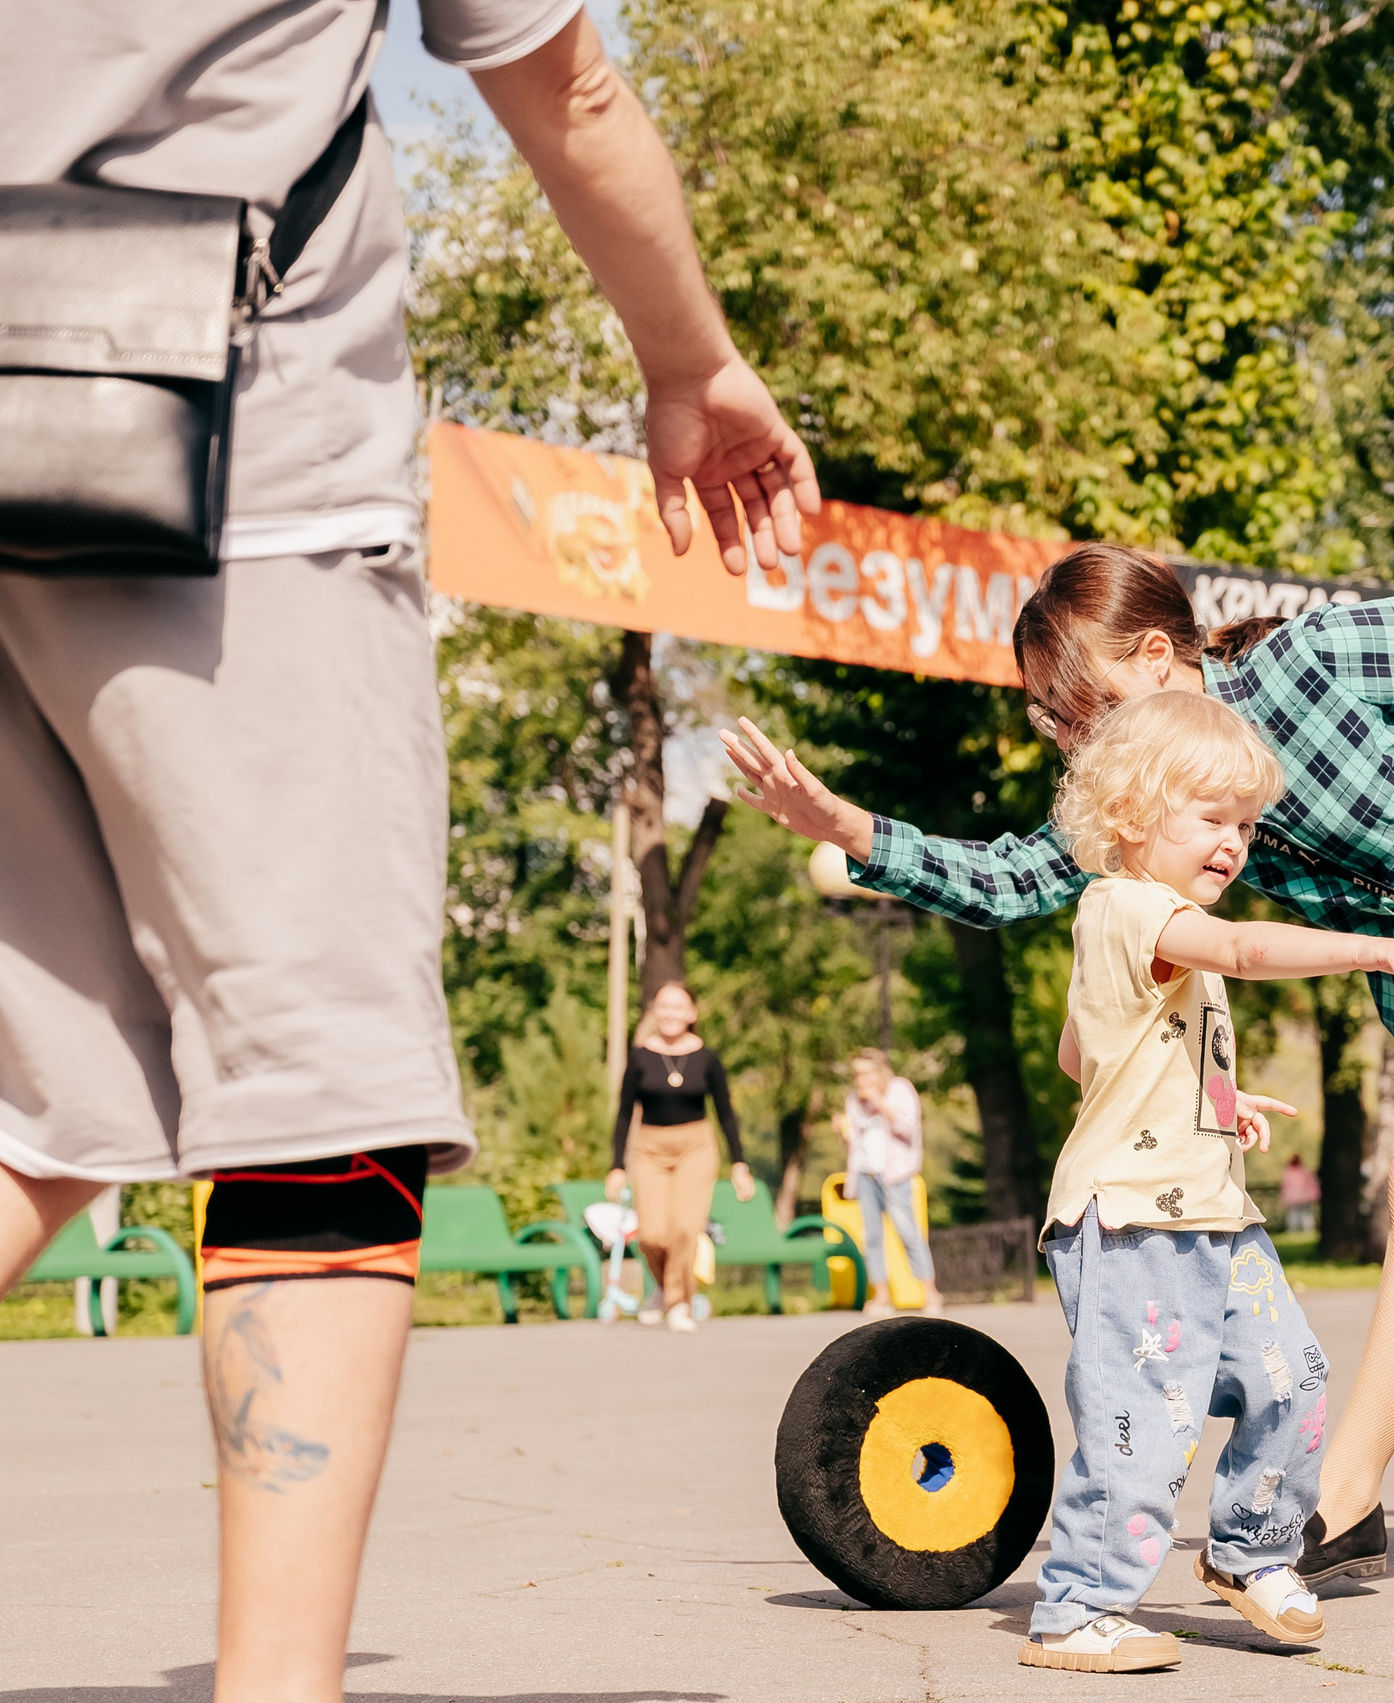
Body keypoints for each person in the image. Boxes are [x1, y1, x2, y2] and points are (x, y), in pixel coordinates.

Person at [0, 8, 818, 1692]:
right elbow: (554, 72)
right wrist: (688, 361)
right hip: (218, 454)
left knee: (31, 1106)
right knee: (322, 1107)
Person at [725, 542, 1394, 1586]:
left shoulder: (1309, 660)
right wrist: (847, 828)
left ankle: (1341, 1496)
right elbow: (1008, 879)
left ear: (1153, 652)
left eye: (1082, 704)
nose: (1075, 735)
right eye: (1056, 717)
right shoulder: (1151, 787)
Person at [1019, 690, 1394, 1673]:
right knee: (1146, 1416)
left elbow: (1080, 1050)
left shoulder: (1160, 931)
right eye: (1209, 817)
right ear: (1131, 815)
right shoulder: (1130, 905)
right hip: (1131, 1223)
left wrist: (1217, 1094)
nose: (1234, 841)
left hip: (1213, 1212)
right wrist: (1369, 947)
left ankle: (1247, 1552)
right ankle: (1076, 1607)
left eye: (1247, 823)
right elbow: (1248, 950)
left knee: (1290, 1376)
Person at [607, 983, 752, 1331]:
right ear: (655, 1012)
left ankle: (678, 1304)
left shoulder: (707, 1058)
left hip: (695, 1147)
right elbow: (625, 1113)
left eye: (678, 1007)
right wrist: (617, 1166)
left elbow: (726, 1113)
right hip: (650, 1149)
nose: (671, 1013)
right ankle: (661, 1285)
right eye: (664, 1007)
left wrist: (739, 1165)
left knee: (686, 1229)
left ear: (692, 1013)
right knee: (653, 1234)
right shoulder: (640, 1056)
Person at [841, 1047, 941, 1316]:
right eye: (856, 1075)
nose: (860, 1081)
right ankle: (881, 1295)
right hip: (865, 1173)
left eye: (865, 1074)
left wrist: (879, 1102)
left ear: (878, 1072)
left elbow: (908, 1128)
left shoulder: (899, 1089)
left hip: (895, 1174)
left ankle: (930, 1294)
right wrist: (844, 1133)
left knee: (908, 1232)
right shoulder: (854, 1100)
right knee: (872, 1237)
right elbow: (855, 1142)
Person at [1280, 1154, 1320, 1237]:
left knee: (1293, 1216)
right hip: (1304, 1196)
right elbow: (1312, 1184)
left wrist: (1284, 1197)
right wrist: (1315, 1195)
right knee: (1306, 1215)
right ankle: (1308, 1231)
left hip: (1292, 1197)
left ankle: (1292, 1232)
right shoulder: (1306, 1171)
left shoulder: (1288, 1172)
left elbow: (1284, 1186)